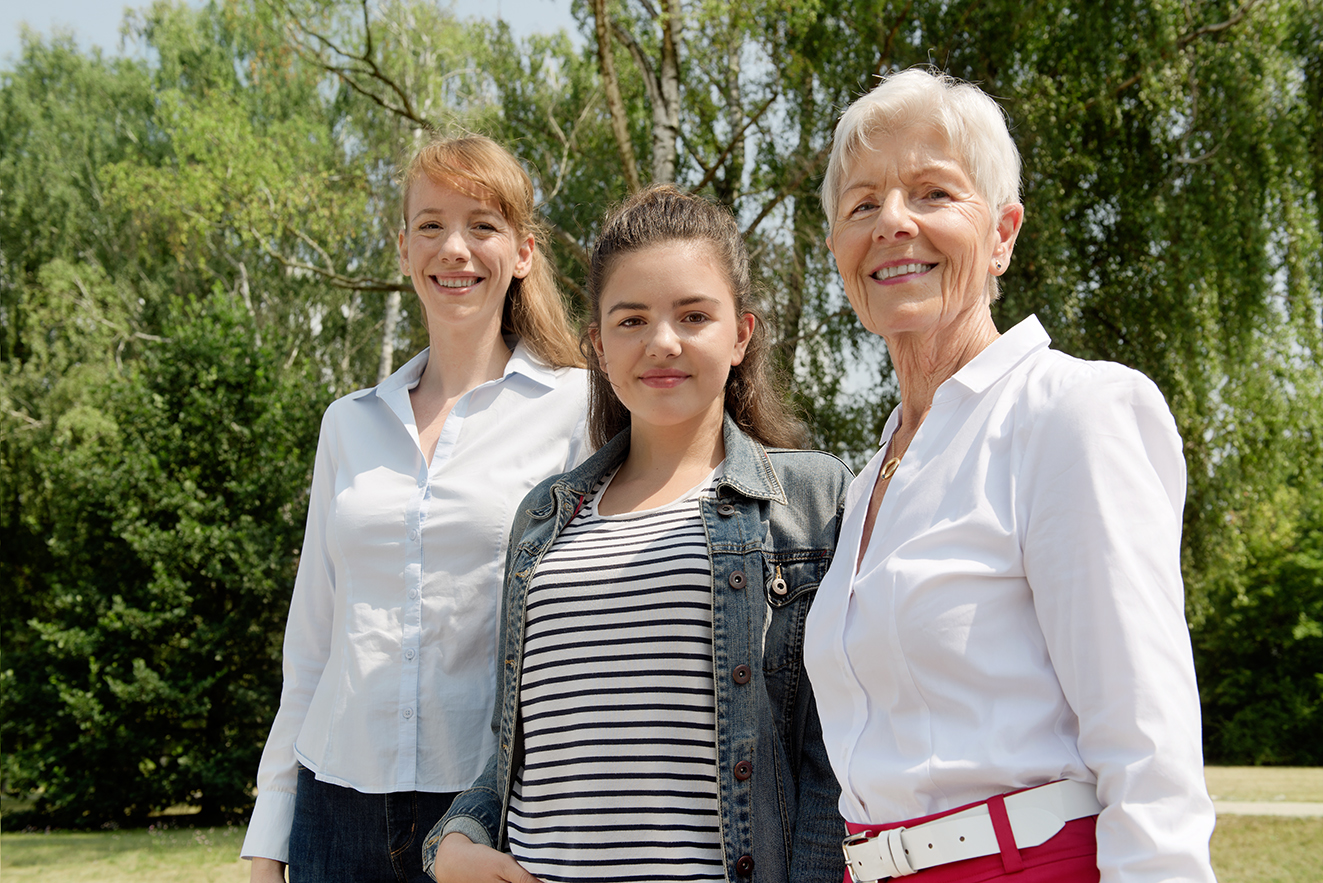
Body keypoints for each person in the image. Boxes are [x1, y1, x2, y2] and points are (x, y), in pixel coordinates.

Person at [803, 68, 1217, 883]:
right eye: (862, 204)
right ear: (837, 253)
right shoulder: (870, 477)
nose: (892, 222)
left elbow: (1147, 741)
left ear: (1001, 233)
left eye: (932, 193)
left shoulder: (1070, 412)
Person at [420, 185, 852, 883]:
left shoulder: (810, 500)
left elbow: (833, 762)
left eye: (694, 315)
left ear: (741, 334)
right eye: (631, 320)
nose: (662, 342)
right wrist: (454, 841)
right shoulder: (543, 520)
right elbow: (508, 757)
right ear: (597, 344)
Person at [241, 135, 589, 883]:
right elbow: (312, 643)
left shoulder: (579, 407)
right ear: (404, 249)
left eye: (482, 225)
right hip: (333, 808)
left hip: (488, 810)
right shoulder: (348, 423)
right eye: (431, 225)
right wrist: (270, 834)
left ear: (523, 252)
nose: (453, 248)